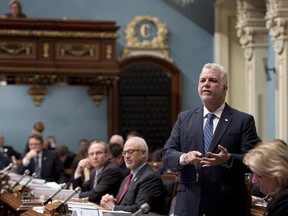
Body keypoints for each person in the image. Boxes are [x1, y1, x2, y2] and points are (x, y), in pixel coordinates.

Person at [162, 63, 260, 216]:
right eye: (202, 80)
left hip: (226, 205)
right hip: (189, 203)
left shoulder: (243, 121)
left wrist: (228, 159)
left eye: (212, 80)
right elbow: (167, 153)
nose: (206, 84)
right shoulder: (184, 118)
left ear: (224, 88)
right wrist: (183, 157)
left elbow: (254, 160)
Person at [100, 136, 164, 214]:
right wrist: (110, 201)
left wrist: (112, 207)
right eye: (124, 152)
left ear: (143, 153)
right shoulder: (127, 178)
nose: (126, 156)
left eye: (130, 151)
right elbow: (123, 204)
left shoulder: (150, 178)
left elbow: (140, 210)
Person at [243, 139, 288, 216]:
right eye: (253, 174)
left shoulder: (284, 202)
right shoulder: (278, 196)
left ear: (278, 173)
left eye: (259, 176)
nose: (254, 181)